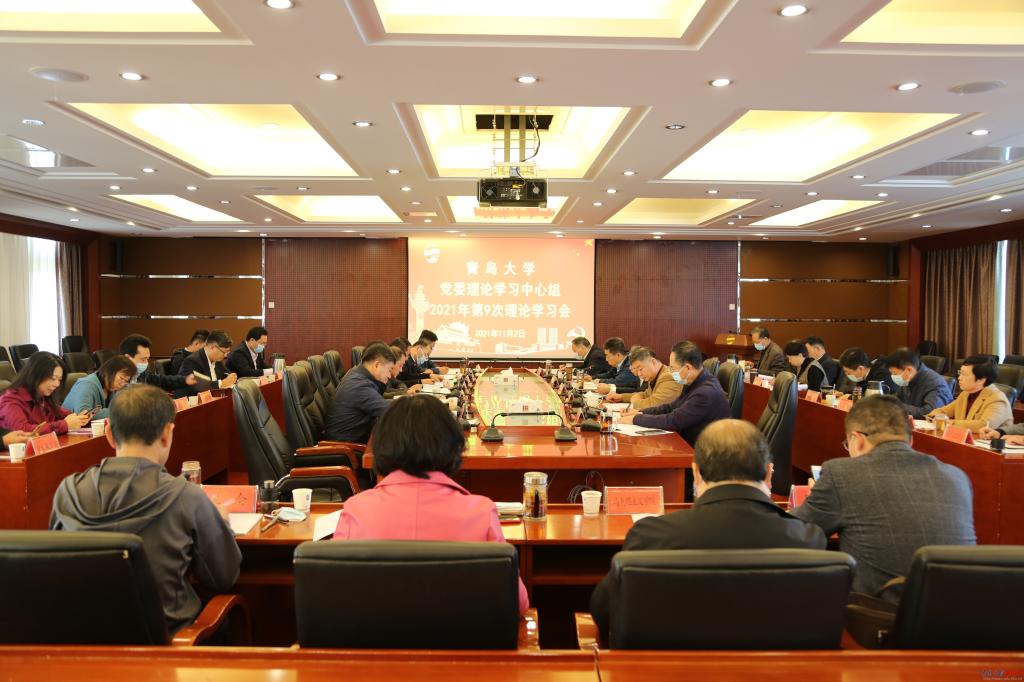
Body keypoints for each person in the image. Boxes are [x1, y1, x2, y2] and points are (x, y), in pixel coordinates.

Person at [589, 419, 825, 641]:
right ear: (768, 472)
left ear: (696, 473)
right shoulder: (809, 540)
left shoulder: (651, 535)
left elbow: (604, 610)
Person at [50, 384, 241, 634]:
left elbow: (55, 571)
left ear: (109, 433)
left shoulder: (68, 492)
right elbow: (223, 577)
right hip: (169, 644)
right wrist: (222, 522)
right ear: (167, 434)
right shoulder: (186, 497)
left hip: (83, 642)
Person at [333, 393, 528, 615]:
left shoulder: (356, 510)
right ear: (453, 445)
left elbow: (336, 595)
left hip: (378, 634)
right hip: (459, 635)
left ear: (382, 445)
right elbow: (518, 603)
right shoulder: (481, 512)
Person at [791, 396, 975, 601]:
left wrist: (816, 498)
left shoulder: (842, 473)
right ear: (910, 440)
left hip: (878, 613)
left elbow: (791, 532)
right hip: (959, 610)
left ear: (857, 440)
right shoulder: (957, 477)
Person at [619, 342, 731, 446]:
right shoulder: (694, 382)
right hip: (688, 441)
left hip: (702, 450)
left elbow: (673, 420)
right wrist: (640, 412)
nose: (671, 372)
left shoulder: (704, 392)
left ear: (687, 367)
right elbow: (670, 407)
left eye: (673, 368)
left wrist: (635, 419)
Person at [0, 352, 89, 435]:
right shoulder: (10, 399)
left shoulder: (43, 396)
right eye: (53, 378)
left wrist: (79, 418)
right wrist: (65, 425)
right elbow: (21, 432)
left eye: (59, 380)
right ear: (36, 374)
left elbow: (62, 414)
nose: (57, 384)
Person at [325, 342, 395, 443]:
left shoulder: (357, 373)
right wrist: (413, 405)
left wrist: (405, 400)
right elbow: (388, 410)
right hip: (346, 447)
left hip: (353, 439)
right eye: (389, 369)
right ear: (376, 365)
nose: (390, 375)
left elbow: (380, 403)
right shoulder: (360, 385)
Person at [927, 354, 1013, 434]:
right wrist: (935, 417)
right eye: (960, 373)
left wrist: (949, 422)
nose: (959, 378)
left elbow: (984, 425)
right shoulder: (965, 394)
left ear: (981, 379)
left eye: (964, 374)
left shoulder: (997, 399)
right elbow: (942, 411)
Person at [885, 347, 953, 418]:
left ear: (909, 370)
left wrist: (897, 407)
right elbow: (897, 399)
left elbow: (930, 413)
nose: (893, 376)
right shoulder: (908, 379)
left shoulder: (936, 383)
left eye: (895, 373)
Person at [606, 346, 682, 410]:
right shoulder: (656, 375)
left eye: (640, 369)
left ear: (653, 362)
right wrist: (621, 397)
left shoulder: (668, 377)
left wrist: (635, 402)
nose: (639, 374)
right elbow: (646, 395)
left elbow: (653, 405)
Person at [61, 356, 136, 420]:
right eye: (121, 378)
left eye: (126, 381)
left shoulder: (112, 387)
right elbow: (83, 414)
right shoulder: (87, 384)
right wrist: (118, 412)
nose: (122, 384)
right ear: (109, 371)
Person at [120, 334, 197, 393]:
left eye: (147, 359)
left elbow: (161, 381)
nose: (146, 363)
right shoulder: (116, 380)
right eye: (143, 359)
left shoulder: (142, 373)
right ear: (127, 358)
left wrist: (185, 380)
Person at [176, 330, 238, 397]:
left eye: (228, 352)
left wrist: (232, 377)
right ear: (212, 347)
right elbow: (195, 388)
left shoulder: (217, 361)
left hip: (215, 399)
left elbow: (226, 374)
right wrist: (221, 383)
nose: (226, 355)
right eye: (224, 352)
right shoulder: (192, 361)